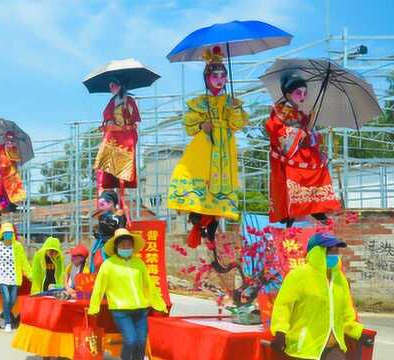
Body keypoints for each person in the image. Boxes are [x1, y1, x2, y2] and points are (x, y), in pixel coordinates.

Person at [167, 46, 248, 270]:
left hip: (224, 149)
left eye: (223, 75)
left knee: (219, 193)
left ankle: (210, 231)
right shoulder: (199, 102)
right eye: (215, 75)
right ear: (207, 78)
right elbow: (189, 126)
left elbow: (238, 124)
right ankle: (198, 222)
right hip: (204, 147)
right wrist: (203, 124)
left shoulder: (232, 102)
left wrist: (232, 110)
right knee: (195, 180)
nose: (220, 79)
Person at [271, 233, 371, 359]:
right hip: (304, 349)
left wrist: (358, 332)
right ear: (315, 252)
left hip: (334, 348)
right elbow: (283, 306)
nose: (334, 255)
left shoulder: (340, 279)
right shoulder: (298, 276)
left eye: (336, 251)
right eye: (329, 251)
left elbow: (346, 314)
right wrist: (280, 332)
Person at [266, 73, 341, 227]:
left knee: (320, 167)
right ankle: (293, 213)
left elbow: (307, 133)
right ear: (288, 95)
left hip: (303, 153)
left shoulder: (301, 114)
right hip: (289, 154)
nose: (302, 96)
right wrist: (299, 134)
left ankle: (316, 207)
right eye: (298, 93)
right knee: (295, 179)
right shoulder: (279, 111)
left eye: (304, 93)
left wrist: (311, 131)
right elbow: (275, 130)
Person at [89, 228, 167, 360]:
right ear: (116, 246)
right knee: (131, 340)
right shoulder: (108, 265)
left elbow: (149, 285)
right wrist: (93, 307)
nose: (126, 246)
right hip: (121, 310)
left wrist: (160, 305)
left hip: (141, 309)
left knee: (141, 341)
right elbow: (99, 287)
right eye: (123, 244)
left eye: (129, 244)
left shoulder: (139, 263)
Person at [94, 77, 141, 203]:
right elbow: (108, 118)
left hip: (124, 138)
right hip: (112, 137)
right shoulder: (112, 101)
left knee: (122, 173)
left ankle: (121, 202)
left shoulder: (129, 101)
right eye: (110, 85)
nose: (111, 88)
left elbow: (133, 121)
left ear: (120, 85)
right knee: (104, 169)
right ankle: (108, 198)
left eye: (113, 85)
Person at [0, 222, 31, 332]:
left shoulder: (18, 246)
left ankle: (2, 315)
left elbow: (23, 261)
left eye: (10, 233)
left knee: (13, 300)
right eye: (6, 233)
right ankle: (8, 322)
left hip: (14, 276)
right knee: (6, 298)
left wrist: (29, 274)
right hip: (1, 275)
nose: (8, 235)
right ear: (2, 233)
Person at [0, 131, 26, 214]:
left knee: (8, 196)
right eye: (8, 139)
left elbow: (14, 161)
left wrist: (9, 151)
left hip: (9, 177)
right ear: (5, 139)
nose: (9, 141)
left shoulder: (14, 150)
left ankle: (6, 209)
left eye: (11, 139)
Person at [90, 190, 126, 273]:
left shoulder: (121, 216)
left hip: (114, 245)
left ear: (111, 203)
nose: (101, 206)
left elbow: (121, 230)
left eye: (103, 203)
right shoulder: (102, 217)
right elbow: (102, 230)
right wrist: (96, 234)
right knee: (98, 263)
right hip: (101, 245)